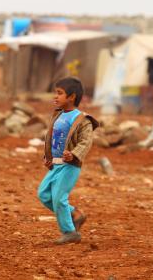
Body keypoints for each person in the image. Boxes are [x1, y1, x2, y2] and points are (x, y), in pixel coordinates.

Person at [37, 77, 99, 245]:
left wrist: (74, 154)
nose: (55, 97)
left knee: (59, 198)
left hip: (70, 166)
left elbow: (86, 141)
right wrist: (48, 158)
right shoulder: (58, 115)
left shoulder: (81, 119)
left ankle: (70, 232)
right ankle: (75, 214)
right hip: (56, 165)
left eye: (59, 93)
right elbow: (52, 139)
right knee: (43, 194)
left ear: (71, 97)